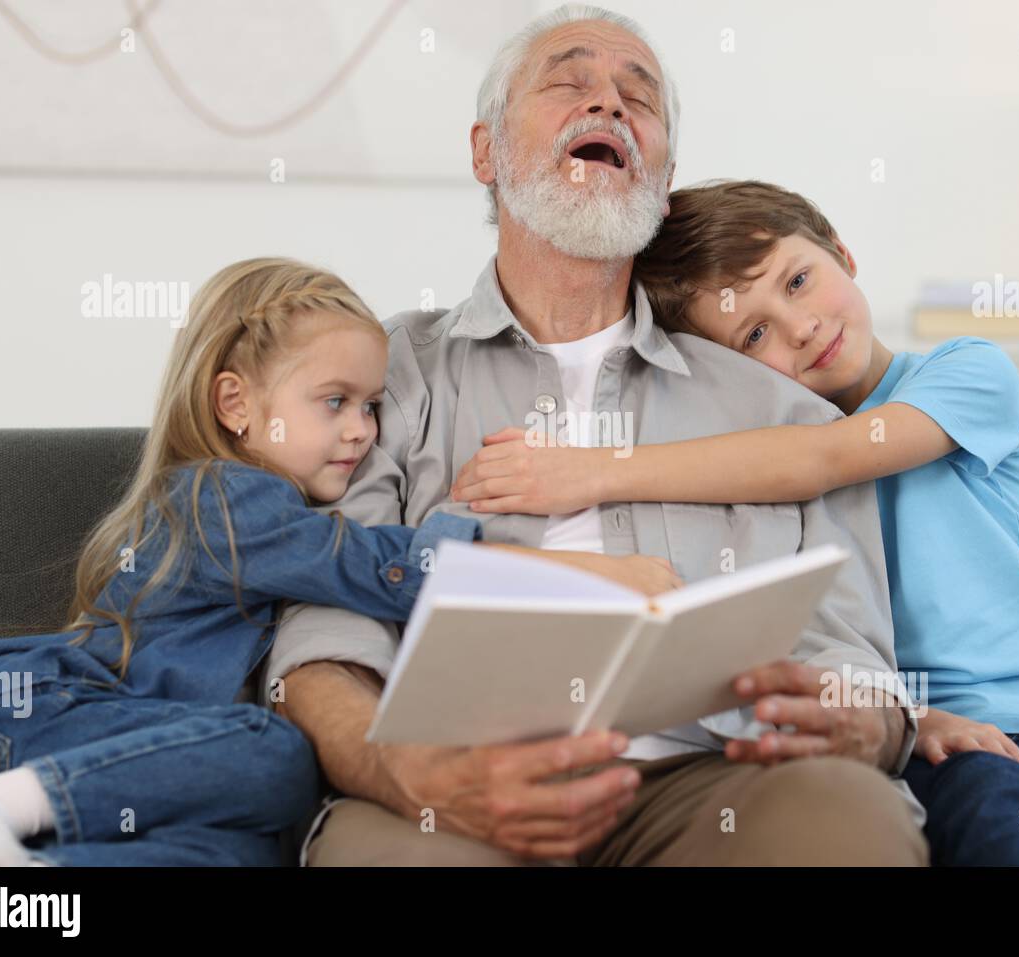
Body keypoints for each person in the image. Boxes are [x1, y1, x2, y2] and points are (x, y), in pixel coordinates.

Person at [266, 6, 927, 867]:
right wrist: (410, 775)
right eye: (569, 83)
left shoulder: (775, 405)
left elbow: (858, 655)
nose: (610, 106)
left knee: (850, 822)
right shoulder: (384, 375)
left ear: (663, 174)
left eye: (637, 97)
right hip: (454, 788)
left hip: (713, 781)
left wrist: (863, 723)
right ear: (484, 153)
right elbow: (319, 638)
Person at [453, 178, 1019, 866]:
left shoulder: (965, 372)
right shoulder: (742, 480)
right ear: (725, 372)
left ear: (842, 252)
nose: (796, 327)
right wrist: (912, 717)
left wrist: (592, 469)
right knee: (1012, 838)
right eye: (751, 334)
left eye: (797, 280)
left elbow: (825, 455)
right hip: (927, 749)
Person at [0, 256, 664, 866]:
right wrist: (559, 564)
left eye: (373, 405)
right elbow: (377, 566)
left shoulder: (282, 515)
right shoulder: (221, 499)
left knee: (244, 854)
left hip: (136, 767)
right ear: (236, 404)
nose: (361, 431)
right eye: (334, 401)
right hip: (24, 719)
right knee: (276, 750)